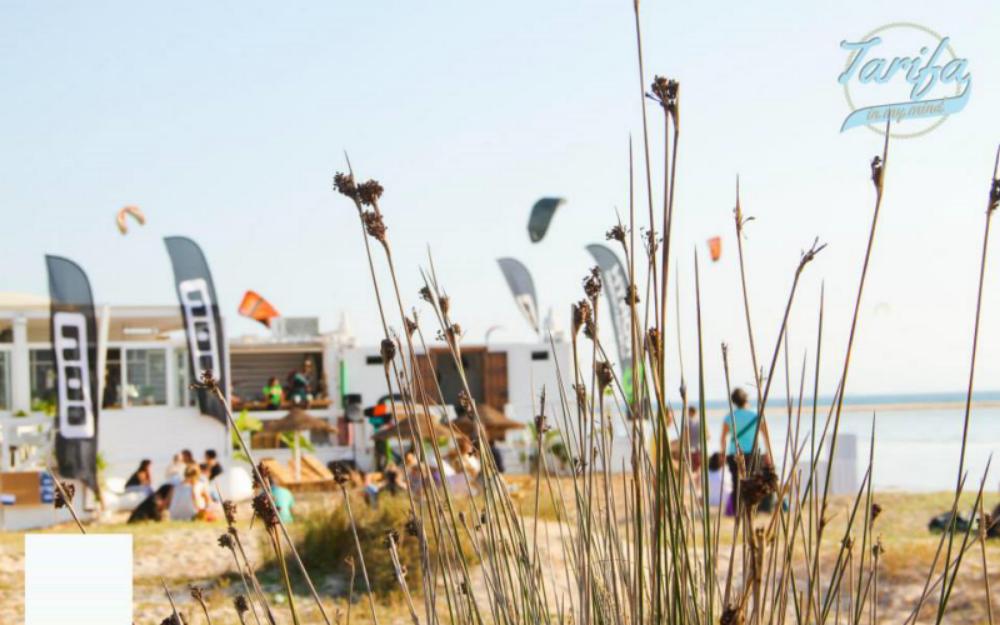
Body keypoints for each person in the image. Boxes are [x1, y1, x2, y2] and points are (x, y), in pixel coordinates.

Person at [719, 387, 773, 513]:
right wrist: (769, 454)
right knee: (755, 481)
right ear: (746, 399)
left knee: (737, 482)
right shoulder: (756, 416)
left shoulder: (729, 417)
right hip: (754, 453)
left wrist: (723, 454)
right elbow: (766, 436)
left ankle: (738, 510)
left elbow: (723, 439)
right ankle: (754, 509)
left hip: (735, 453)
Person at [686, 406, 707, 472]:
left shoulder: (688, 422)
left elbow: (686, 436)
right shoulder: (700, 422)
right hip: (699, 449)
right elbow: (708, 436)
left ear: (689, 412)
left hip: (690, 449)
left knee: (691, 470)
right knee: (699, 470)